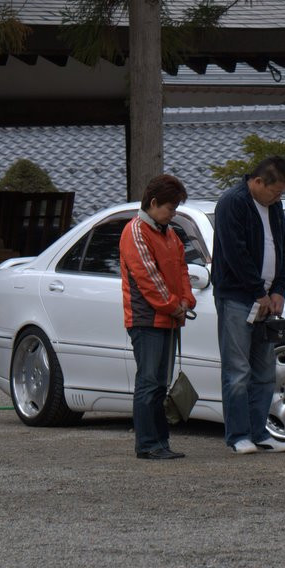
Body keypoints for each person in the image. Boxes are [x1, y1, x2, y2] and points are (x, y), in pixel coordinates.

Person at [212, 156, 285, 455]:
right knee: (237, 369)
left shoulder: (274, 206)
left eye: (282, 193)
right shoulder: (232, 203)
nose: (278, 197)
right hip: (237, 297)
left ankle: (260, 432)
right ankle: (238, 435)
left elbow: (284, 245)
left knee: (264, 370)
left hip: (267, 299)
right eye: (276, 191)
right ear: (258, 182)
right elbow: (235, 252)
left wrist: (279, 289)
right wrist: (257, 291)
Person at [119, 174, 196, 460]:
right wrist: (174, 304)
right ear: (153, 203)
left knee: (159, 383)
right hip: (146, 319)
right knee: (149, 381)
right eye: (170, 208)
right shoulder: (136, 231)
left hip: (168, 317)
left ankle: (160, 442)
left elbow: (182, 268)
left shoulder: (168, 231)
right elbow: (147, 277)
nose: (173, 213)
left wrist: (186, 300)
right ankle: (148, 443)